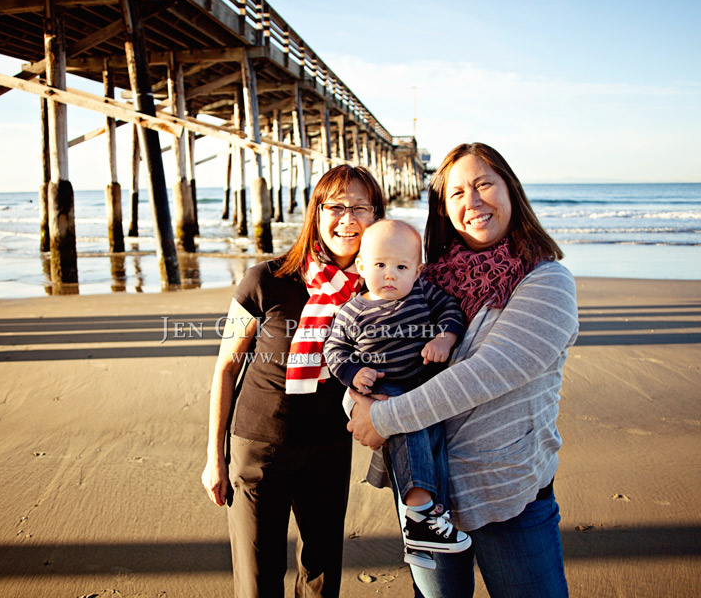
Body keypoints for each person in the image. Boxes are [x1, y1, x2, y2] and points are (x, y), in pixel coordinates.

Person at [347, 143, 579, 597]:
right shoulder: (422, 281)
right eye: (456, 193)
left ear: (510, 190)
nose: (471, 202)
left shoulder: (547, 280)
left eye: (483, 184)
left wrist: (384, 418)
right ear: (443, 209)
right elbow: (366, 343)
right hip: (428, 502)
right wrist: (355, 400)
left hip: (507, 493)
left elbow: (487, 373)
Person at [201, 164, 385, 597]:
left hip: (329, 446)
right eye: (336, 206)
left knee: (321, 578)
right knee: (257, 580)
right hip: (259, 445)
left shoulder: (379, 289)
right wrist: (215, 456)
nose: (348, 218)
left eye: (360, 206)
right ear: (316, 213)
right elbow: (226, 367)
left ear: (376, 215)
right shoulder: (266, 280)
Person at [323, 219, 471, 569]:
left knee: (435, 445)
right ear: (361, 266)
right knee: (412, 427)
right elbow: (334, 349)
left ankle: (425, 528)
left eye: (401, 267)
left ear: (418, 271)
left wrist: (444, 339)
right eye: (380, 265)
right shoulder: (352, 311)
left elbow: (452, 312)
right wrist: (353, 372)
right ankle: (419, 509)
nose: (390, 275)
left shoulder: (423, 294)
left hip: (422, 383)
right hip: (383, 388)